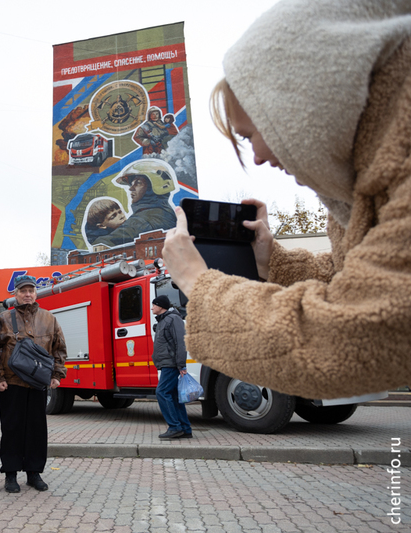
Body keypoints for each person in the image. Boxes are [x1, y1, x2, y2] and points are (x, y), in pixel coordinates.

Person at [161, 0, 411, 399]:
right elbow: (356, 275)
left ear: (299, 106)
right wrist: (271, 259)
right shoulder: (370, 188)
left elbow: (346, 338)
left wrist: (196, 281)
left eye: (249, 134)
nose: (257, 156)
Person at [0, 275, 67, 493]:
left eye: (31, 291)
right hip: (11, 384)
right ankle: (11, 474)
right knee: (12, 429)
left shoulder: (49, 318)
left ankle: (34, 473)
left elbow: (59, 348)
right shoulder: (3, 318)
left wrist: (56, 375)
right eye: (23, 291)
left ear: (35, 293)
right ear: (15, 294)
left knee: (37, 430)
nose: (27, 294)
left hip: (38, 385)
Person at [94, 159, 178, 247]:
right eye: (131, 184)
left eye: (138, 183)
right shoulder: (166, 213)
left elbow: (102, 243)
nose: (131, 188)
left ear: (152, 187)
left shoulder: (143, 220)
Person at [150, 295, 191, 439]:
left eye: (154, 305)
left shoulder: (173, 319)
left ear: (161, 306)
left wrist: (181, 364)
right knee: (173, 396)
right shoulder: (163, 321)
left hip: (171, 364)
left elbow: (181, 342)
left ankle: (174, 427)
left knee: (161, 392)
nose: (152, 307)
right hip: (168, 363)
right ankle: (185, 429)